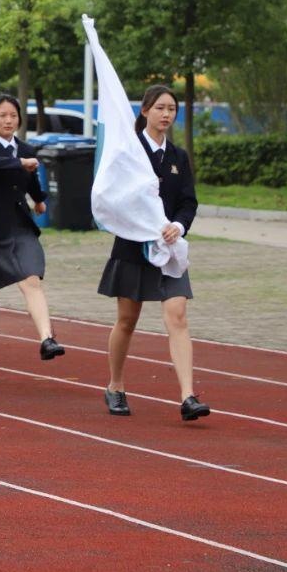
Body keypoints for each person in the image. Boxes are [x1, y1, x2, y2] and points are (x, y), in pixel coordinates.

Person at [98, 84, 208, 421]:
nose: (166, 114)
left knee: (178, 316)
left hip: (170, 250)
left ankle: (188, 396)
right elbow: (112, 196)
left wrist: (179, 225)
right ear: (145, 111)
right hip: (133, 249)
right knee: (127, 321)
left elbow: (189, 200)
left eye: (171, 109)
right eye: (160, 108)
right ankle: (115, 386)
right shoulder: (127, 153)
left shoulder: (178, 157)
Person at [0, 94, 65, 386]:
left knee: (31, 280)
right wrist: (19, 162)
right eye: (2, 115)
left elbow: (31, 180)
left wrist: (39, 199)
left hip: (18, 226)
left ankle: (47, 338)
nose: (8, 121)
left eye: (13, 116)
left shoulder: (26, 149)